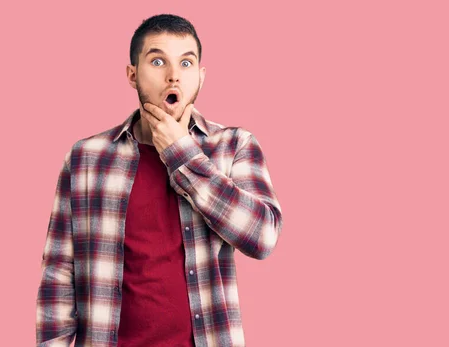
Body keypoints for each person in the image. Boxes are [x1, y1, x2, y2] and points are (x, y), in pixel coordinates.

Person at [35, 13, 283, 347]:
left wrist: (181, 153)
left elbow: (263, 237)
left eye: (185, 63)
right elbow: (58, 274)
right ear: (132, 74)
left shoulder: (234, 146)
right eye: (157, 61)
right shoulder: (86, 158)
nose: (173, 77)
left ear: (201, 76)